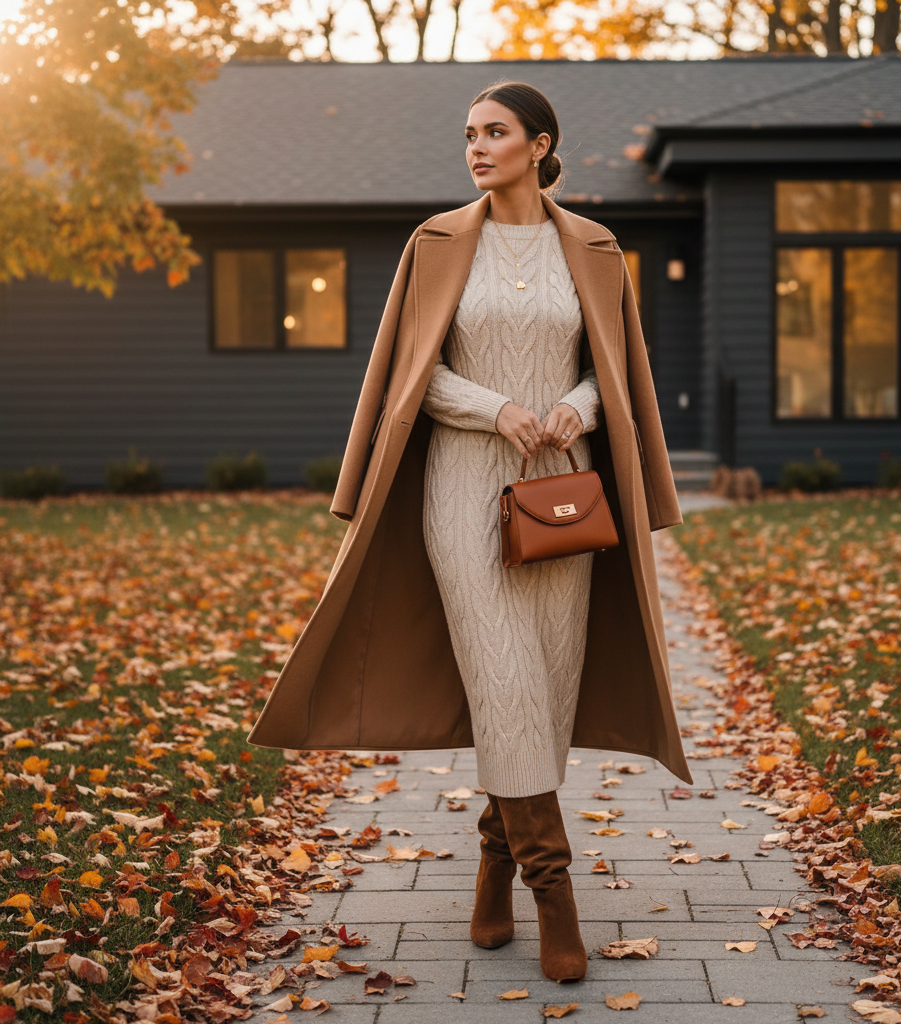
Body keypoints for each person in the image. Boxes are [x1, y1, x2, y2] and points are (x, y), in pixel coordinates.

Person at [246, 78, 691, 987]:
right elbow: (418, 376)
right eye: (468, 135)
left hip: (563, 497)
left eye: (495, 132)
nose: (476, 147)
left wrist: (570, 408)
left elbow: (615, 372)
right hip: (461, 492)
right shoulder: (439, 242)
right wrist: (499, 410)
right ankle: (555, 894)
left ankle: (494, 867)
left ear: (540, 144)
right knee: (506, 681)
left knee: (543, 696)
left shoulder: (596, 249)